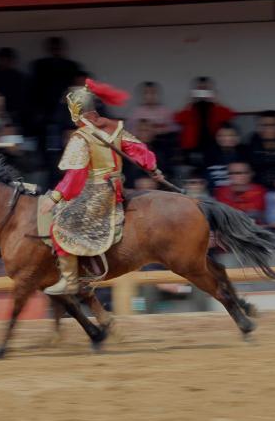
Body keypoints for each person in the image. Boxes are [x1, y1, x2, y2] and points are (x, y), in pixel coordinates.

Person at [43, 79, 163, 295]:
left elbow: (76, 176)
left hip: (96, 193)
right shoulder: (115, 127)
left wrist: (55, 197)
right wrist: (152, 167)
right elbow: (138, 149)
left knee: (59, 226)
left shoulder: (81, 136)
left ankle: (70, 280)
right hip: (116, 188)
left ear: (76, 109)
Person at [173, 77, 235, 164]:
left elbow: (229, 115)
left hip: (214, 144)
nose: (203, 93)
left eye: (206, 90)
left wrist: (216, 100)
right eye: (199, 89)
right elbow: (178, 119)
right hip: (192, 145)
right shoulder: (191, 107)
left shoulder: (215, 106)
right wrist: (189, 101)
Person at [203, 124, 250, 191]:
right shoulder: (210, 156)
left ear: (238, 138)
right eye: (222, 136)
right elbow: (208, 182)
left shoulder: (246, 155)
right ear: (216, 138)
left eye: (231, 135)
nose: (227, 138)